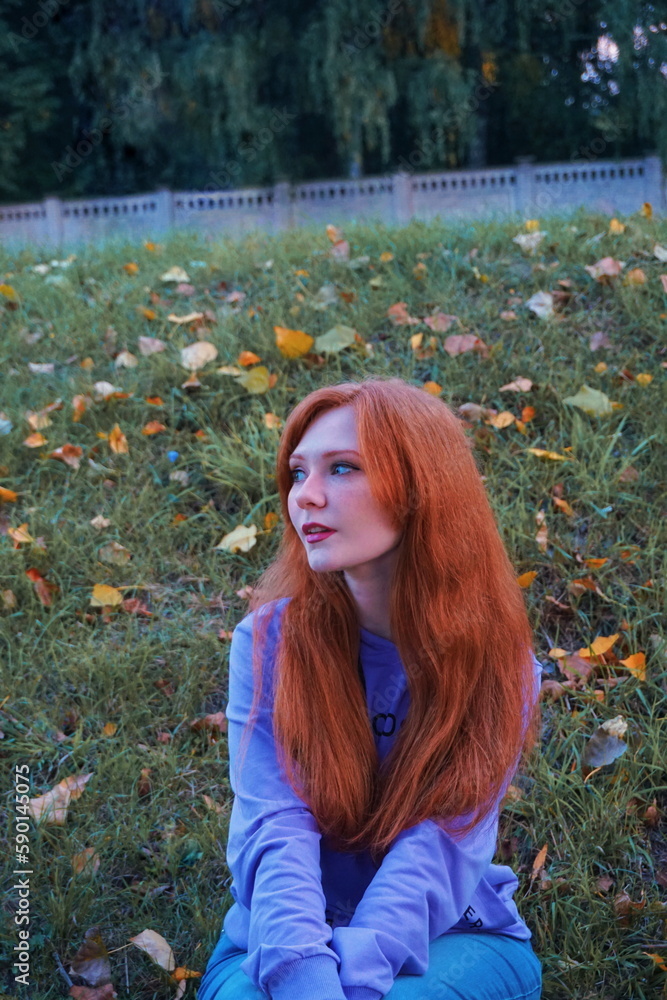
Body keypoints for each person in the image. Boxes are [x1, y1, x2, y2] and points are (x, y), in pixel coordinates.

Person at [197, 375, 544, 999]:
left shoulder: (498, 661)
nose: (306, 496)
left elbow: (438, 848)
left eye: (343, 468)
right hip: (276, 939)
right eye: (298, 474)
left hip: (448, 939)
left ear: (418, 488)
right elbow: (274, 826)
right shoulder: (269, 642)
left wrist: (354, 982)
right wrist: (304, 975)